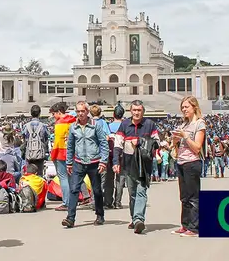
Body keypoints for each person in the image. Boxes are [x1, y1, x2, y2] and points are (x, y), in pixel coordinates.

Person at [114, 100, 159, 234]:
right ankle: (134, 218)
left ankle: (139, 219)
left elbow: (157, 142)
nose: (136, 112)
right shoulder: (124, 125)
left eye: (139, 110)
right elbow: (117, 144)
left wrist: (140, 142)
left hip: (144, 166)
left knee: (141, 192)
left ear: (143, 111)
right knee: (132, 194)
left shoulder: (150, 125)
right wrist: (116, 162)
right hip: (128, 165)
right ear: (130, 111)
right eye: (134, 110)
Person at [62, 102, 108, 228]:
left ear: (87, 112)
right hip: (79, 162)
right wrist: (69, 163)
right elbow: (70, 146)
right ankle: (70, 218)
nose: (80, 114)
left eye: (82, 111)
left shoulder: (95, 125)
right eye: (78, 111)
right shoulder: (73, 127)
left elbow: (104, 143)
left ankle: (100, 215)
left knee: (97, 190)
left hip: (94, 162)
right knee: (74, 189)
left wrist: (103, 161)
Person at [172, 96, 206, 237]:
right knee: (184, 196)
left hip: (192, 162)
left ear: (194, 107)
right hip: (181, 161)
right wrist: (175, 139)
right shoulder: (184, 124)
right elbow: (176, 145)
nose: (184, 110)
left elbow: (197, 147)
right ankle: (185, 225)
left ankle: (194, 227)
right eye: (183, 107)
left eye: (186, 107)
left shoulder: (200, 124)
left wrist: (185, 136)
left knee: (193, 197)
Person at [49, 102, 76, 212]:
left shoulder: (60, 123)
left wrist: (53, 155)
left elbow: (57, 141)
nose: (53, 116)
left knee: (63, 177)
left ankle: (66, 202)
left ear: (59, 112)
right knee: (70, 178)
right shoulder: (73, 121)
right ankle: (72, 200)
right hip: (72, 152)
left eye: (54, 114)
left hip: (60, 152)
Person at [21, 105, 50, 177]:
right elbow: (46, 139)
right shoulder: (43, 126)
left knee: (29, 174)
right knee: (39, 173)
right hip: (40, 153)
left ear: (31, 113)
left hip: (29, 153)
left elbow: (24, 139)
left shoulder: (26, 126)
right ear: (39, 113)